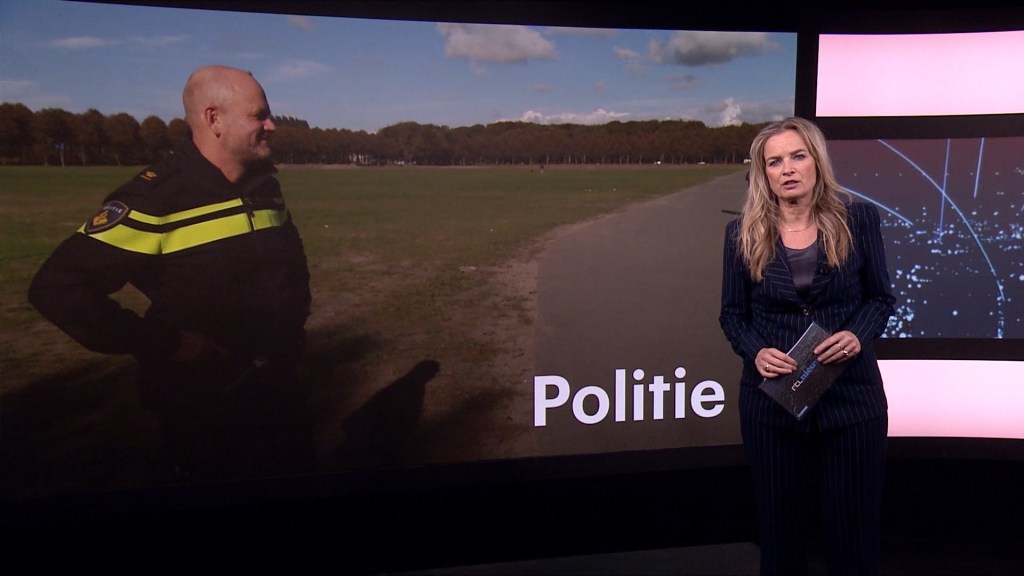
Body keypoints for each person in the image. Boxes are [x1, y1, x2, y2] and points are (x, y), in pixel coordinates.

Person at [29, 65, 312, 480]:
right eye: (259, 115)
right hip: (206, 408)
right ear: (214, 119)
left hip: (278, 385)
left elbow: (288, 258)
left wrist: (293, 328)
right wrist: (162, 343)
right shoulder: (155, 198)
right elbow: (58, 287)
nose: (272, 125)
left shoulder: (263, 185)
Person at [719, 117, 896, 575]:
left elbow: (881, 298)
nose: (788, 169)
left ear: (816, 161)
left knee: (853, 540)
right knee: (780, 540)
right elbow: (732, 315)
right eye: (774, 161)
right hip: (772, 408)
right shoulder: (741, 233)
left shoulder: (858, 219)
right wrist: (756, 351)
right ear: (763, 172)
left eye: (798, 156)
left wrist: (857, 334)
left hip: (851, 404)